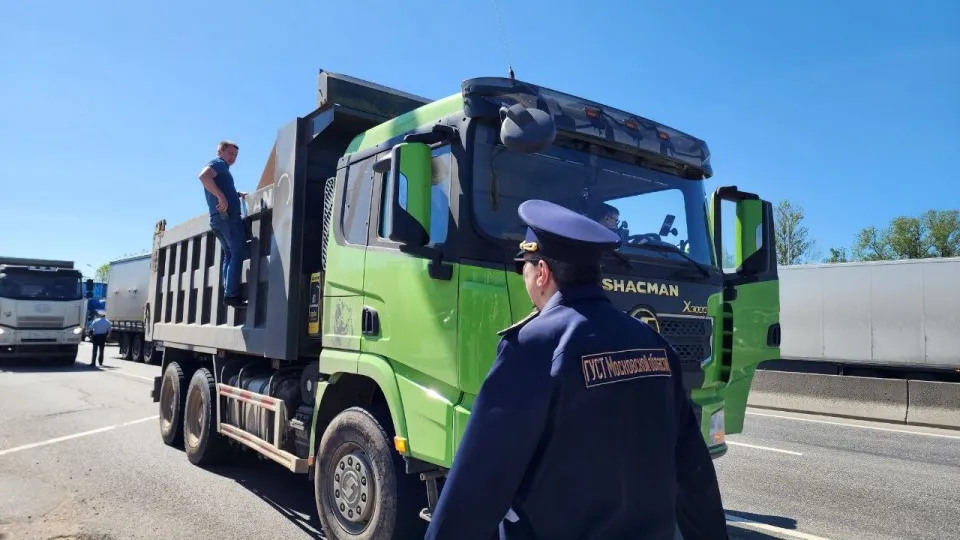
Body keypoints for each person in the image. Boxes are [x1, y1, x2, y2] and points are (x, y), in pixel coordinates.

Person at [424, 199, 728, 540]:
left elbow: (480, 480)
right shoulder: (655, 345)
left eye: (524, 267)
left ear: (542, 272)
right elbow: (694, 471)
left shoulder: (534, 346)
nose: (524, 277)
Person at [198, 140, 249, 307]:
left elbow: (219, 185)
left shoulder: (223, 170)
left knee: (229, 255)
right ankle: (231, 295)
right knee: (238, 252)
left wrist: (236, 194)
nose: (233, 157)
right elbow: (203, 176)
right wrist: (221, 197)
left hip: (218, 219)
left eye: (236, 155)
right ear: (220, 151)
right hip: (227, 218)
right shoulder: (218, 163)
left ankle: (229, 293)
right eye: (230, 153)